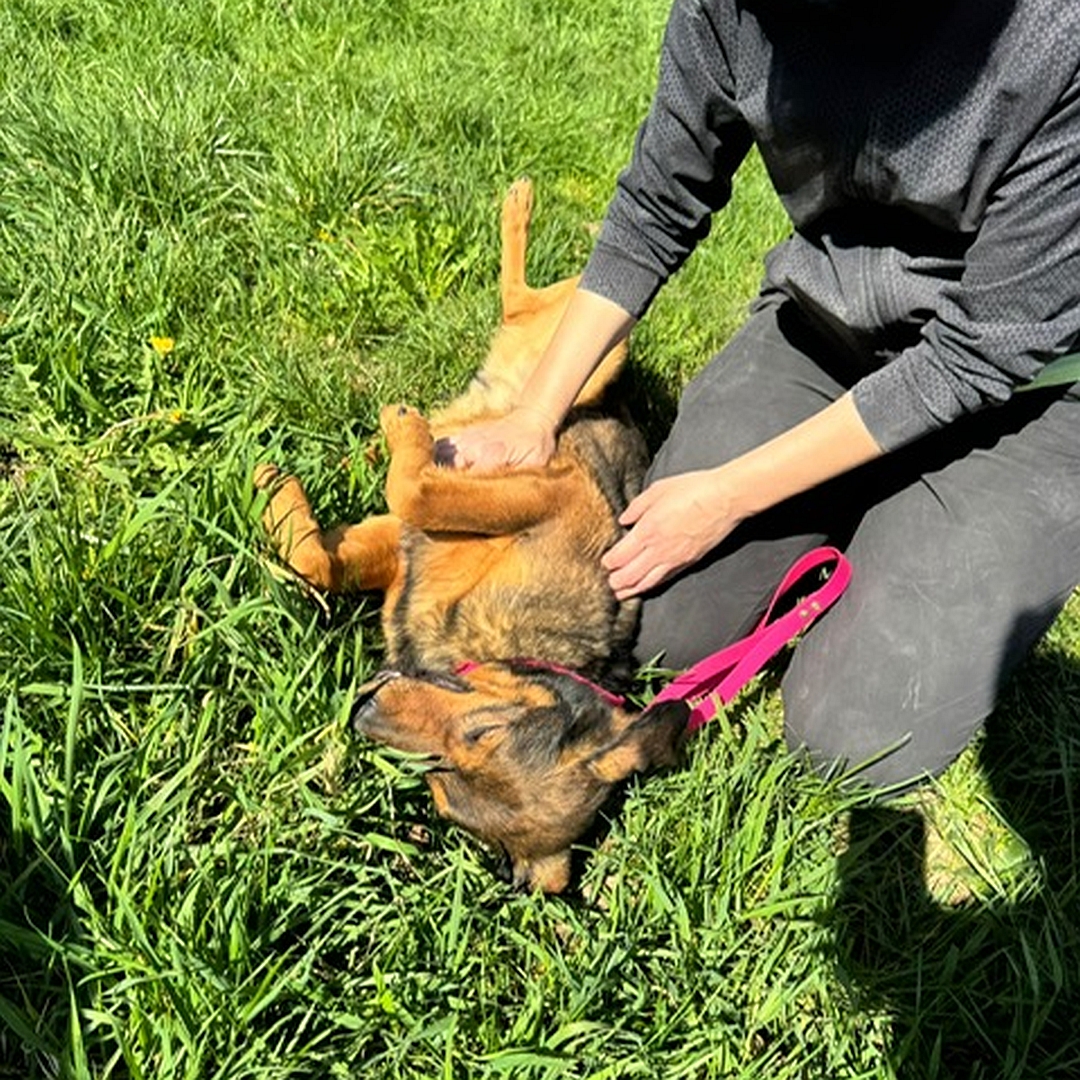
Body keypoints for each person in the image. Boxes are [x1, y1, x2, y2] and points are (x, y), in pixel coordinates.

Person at [445, 0, 1080, 790]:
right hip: (833, 327)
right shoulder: (732, 7)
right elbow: (656, 203)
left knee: (854, 746)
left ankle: (900, 526)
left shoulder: (1056, 37)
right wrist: (536, 413)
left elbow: (976, 355)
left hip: (1024, 396)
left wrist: (728, 496)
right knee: (654, 633)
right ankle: (844, 500)